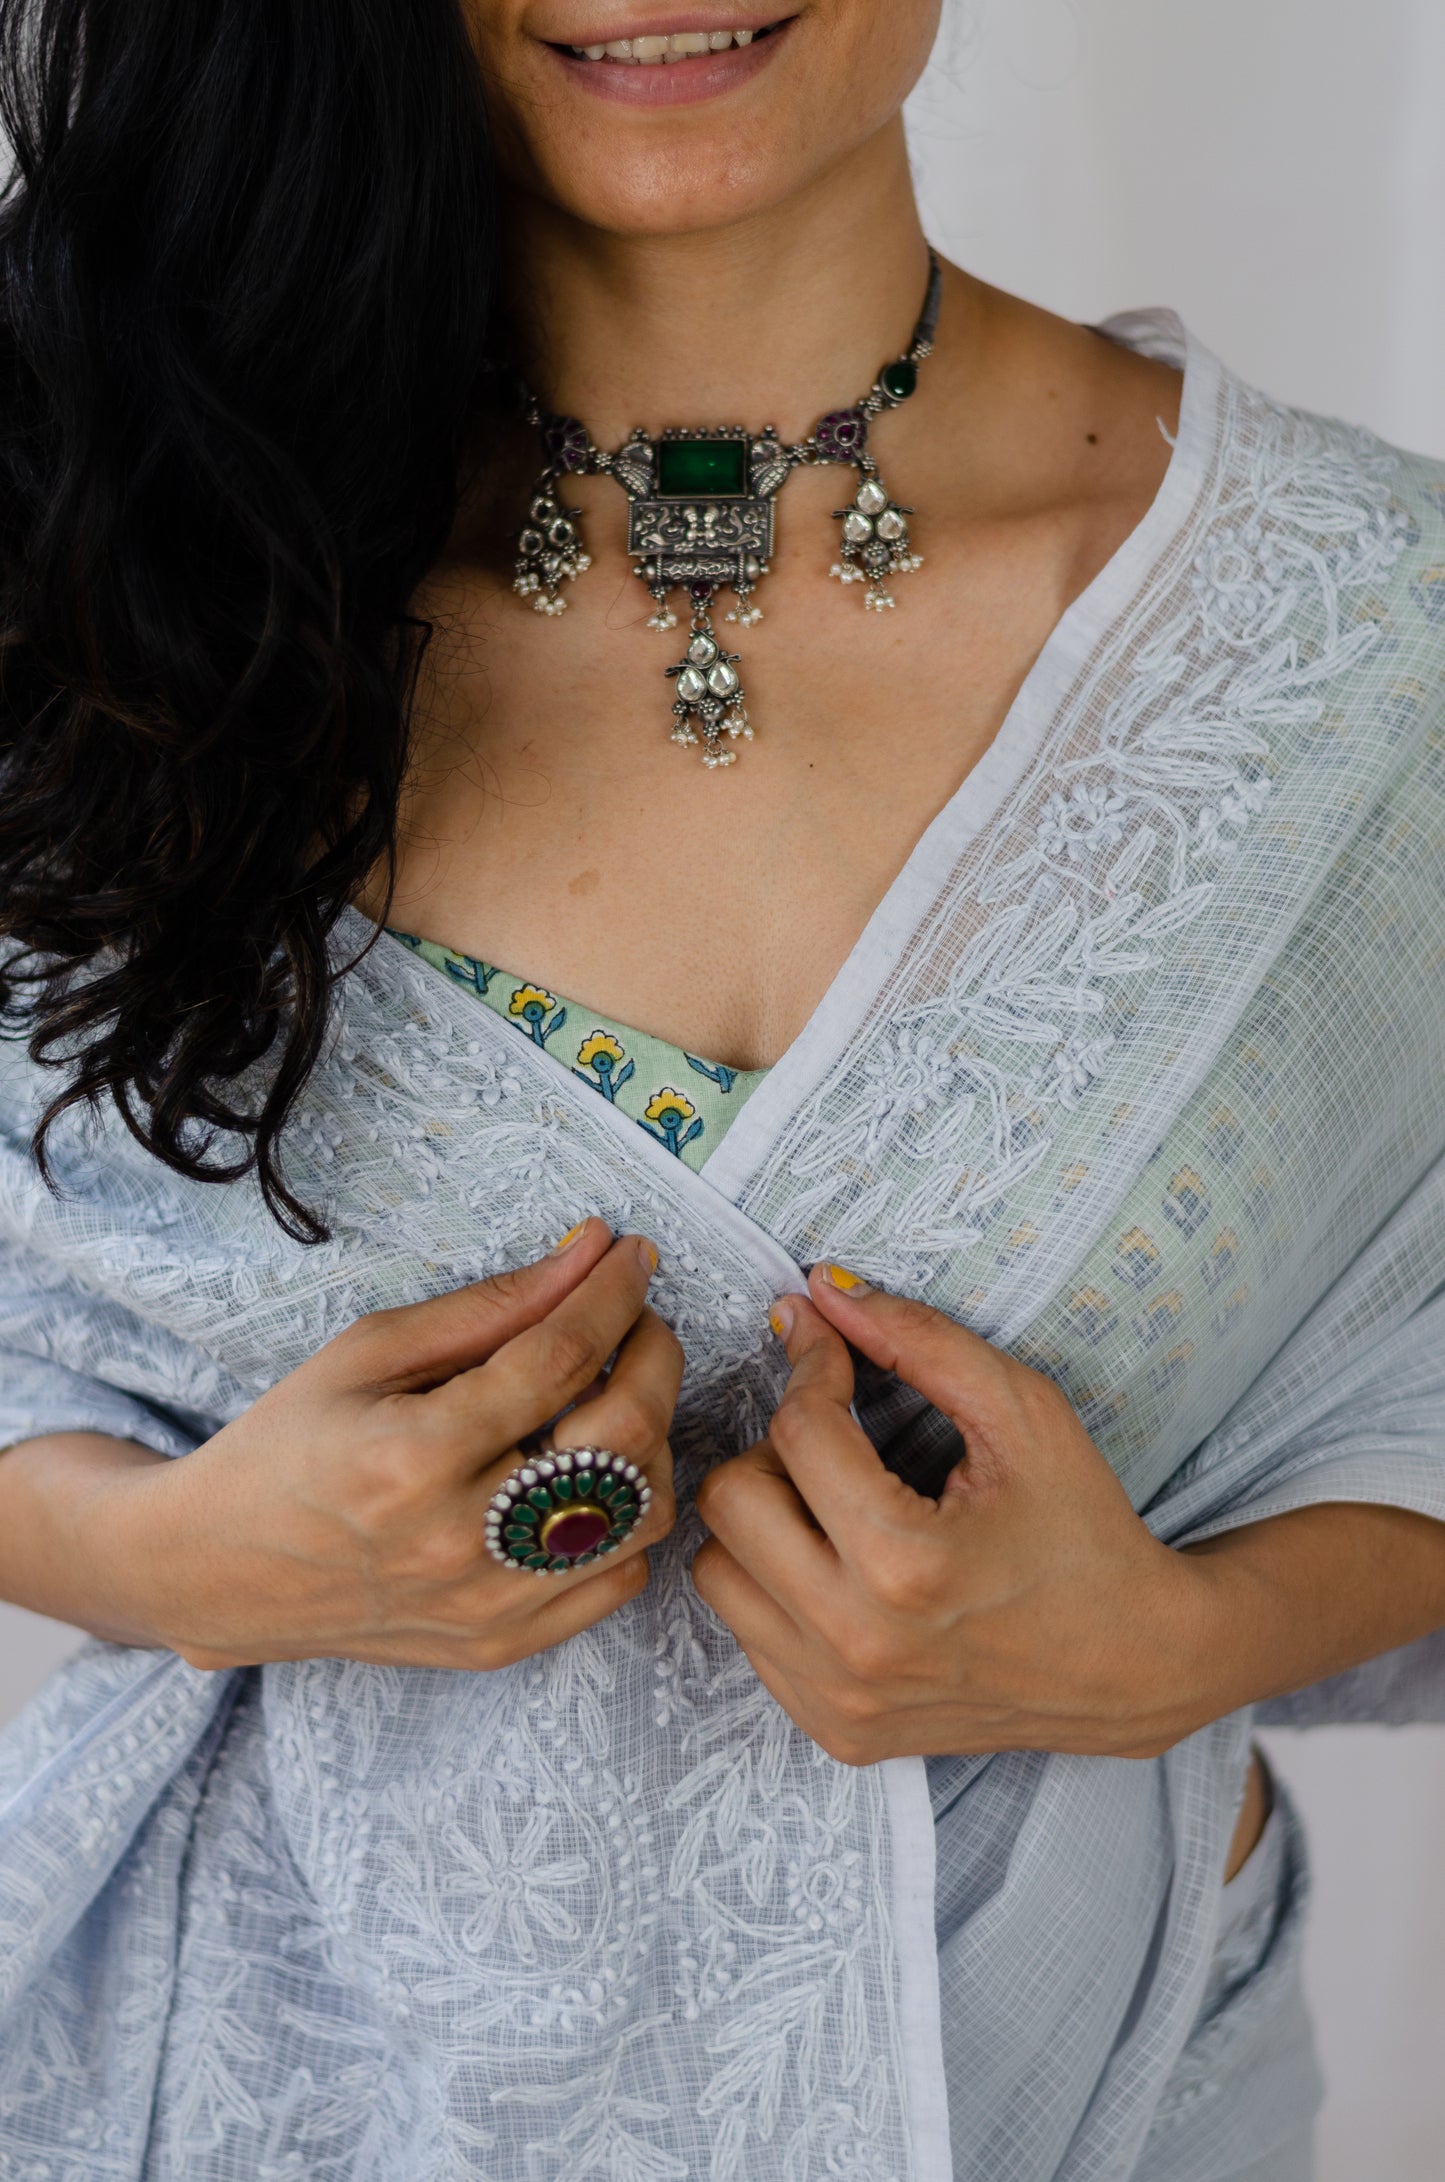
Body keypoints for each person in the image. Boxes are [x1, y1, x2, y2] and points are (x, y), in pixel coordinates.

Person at [0, 3, 1442, 2176]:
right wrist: (178, 1553)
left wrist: (1177, 1643)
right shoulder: (103, 560)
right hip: (266, 2091)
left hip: (1103, 2100)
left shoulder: (1364, 642)